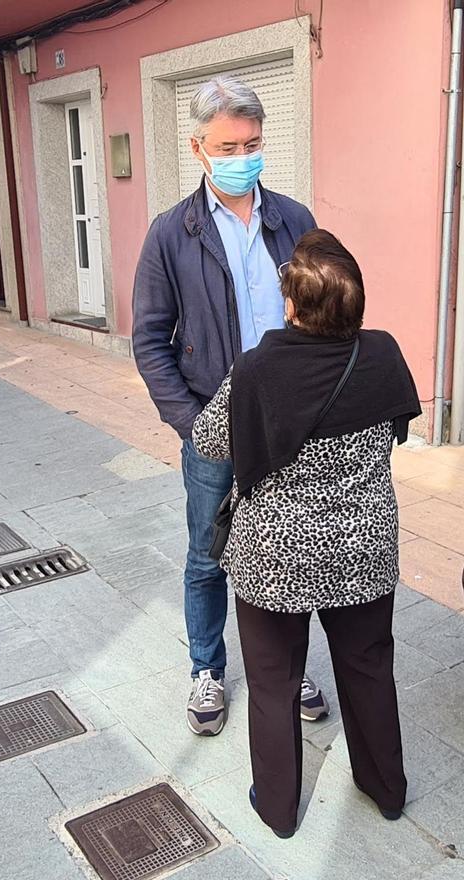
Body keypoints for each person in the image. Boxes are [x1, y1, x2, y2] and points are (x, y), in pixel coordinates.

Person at [192, 229, 420, 837]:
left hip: (274, 554)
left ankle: (276, 806)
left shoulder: (260, 367)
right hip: (364, 547)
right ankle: (386, 788)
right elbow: (396, 426)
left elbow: (211, 442)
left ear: (292, 305)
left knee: (272, 679)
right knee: (369, 666)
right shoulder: (383, 354)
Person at [133, 75, 327, 735]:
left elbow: (324, 318)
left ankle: (288, 666)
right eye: (228, 144)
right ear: (198, 147)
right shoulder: (171, 233)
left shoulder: (294, 220)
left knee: (288, 548)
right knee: (208, 554)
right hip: (214, 430)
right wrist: (194, 427)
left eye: (252, 142)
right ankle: (207, 668)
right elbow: (148, 340)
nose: (242, 155)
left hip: (291, 425)